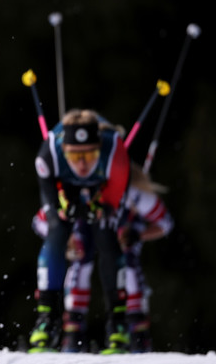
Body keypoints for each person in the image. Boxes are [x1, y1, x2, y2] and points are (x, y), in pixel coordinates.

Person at [28, 109, 131, 353]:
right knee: (57, 232)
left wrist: (98, 207)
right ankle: (46, 321)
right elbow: (51, 201)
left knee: (105, 234)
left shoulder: (116, 155)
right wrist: (63, 207)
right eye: (75, 156)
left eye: (89, 154)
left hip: (102, 183)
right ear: (64, 151)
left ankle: (118, 326)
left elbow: (111, 202)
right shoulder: (48, 156)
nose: (82, 163)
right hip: (65, 185)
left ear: (99, 149)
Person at [116, 162, 175, 352]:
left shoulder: (137, 195)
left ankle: (137, 336)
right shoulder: (90, 187)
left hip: (126, 256)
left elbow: (165, 224)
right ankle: (71, 335)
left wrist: (137, 235)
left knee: (129, 266)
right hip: (99, 250)